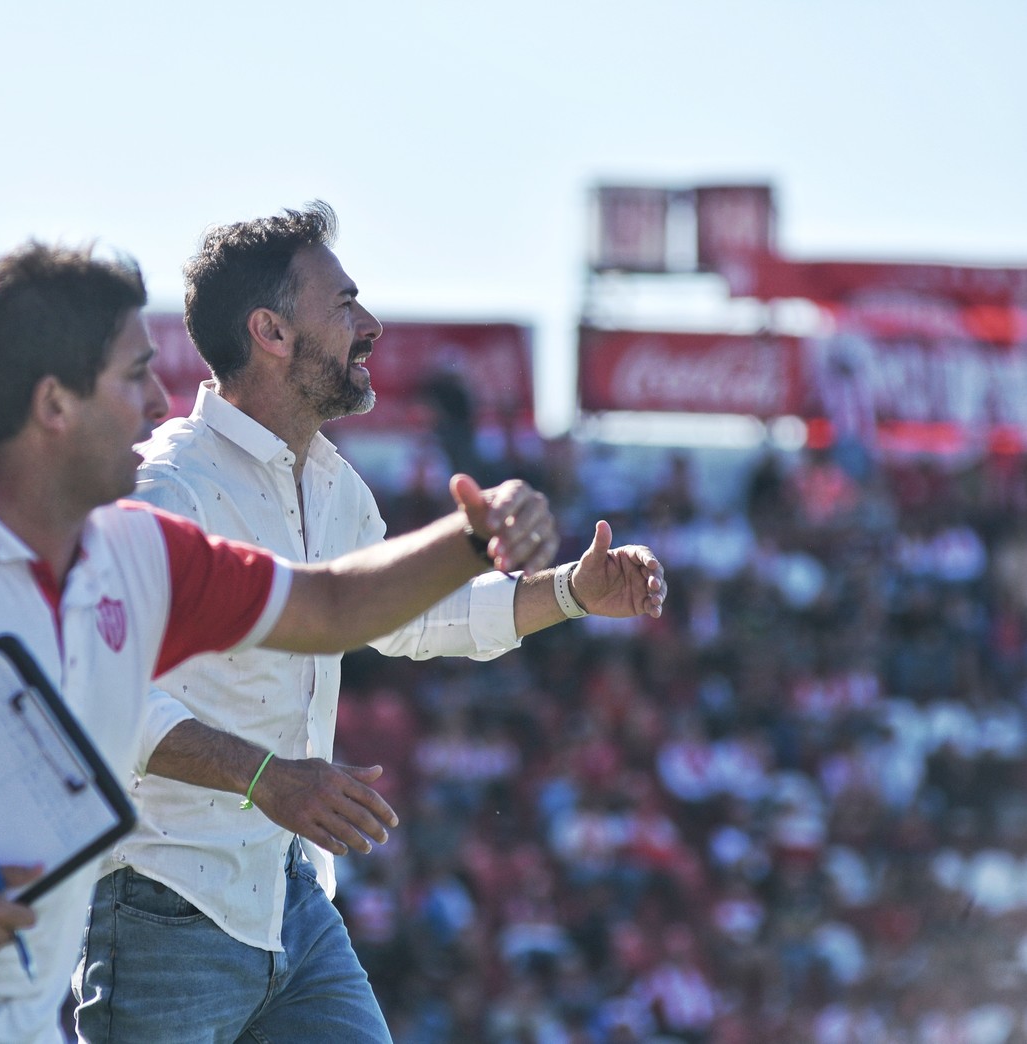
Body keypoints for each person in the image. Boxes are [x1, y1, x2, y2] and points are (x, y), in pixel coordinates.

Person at [0, 240, 563, 1044]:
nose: (162, 399)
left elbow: (330, 608)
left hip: (7, 1012)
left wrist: (471, 541)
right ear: (54, 403)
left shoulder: (138, 552)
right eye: (134, 374)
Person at [72, 203, 667, 1043]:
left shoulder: (334, 483)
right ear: (271, 331)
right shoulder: (163, 487)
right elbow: (101, 697)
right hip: (159, 902)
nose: (370, 324)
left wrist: (570, 592)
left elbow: (416, 621)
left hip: (290, 902)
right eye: (344, 304)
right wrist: (266, 778)